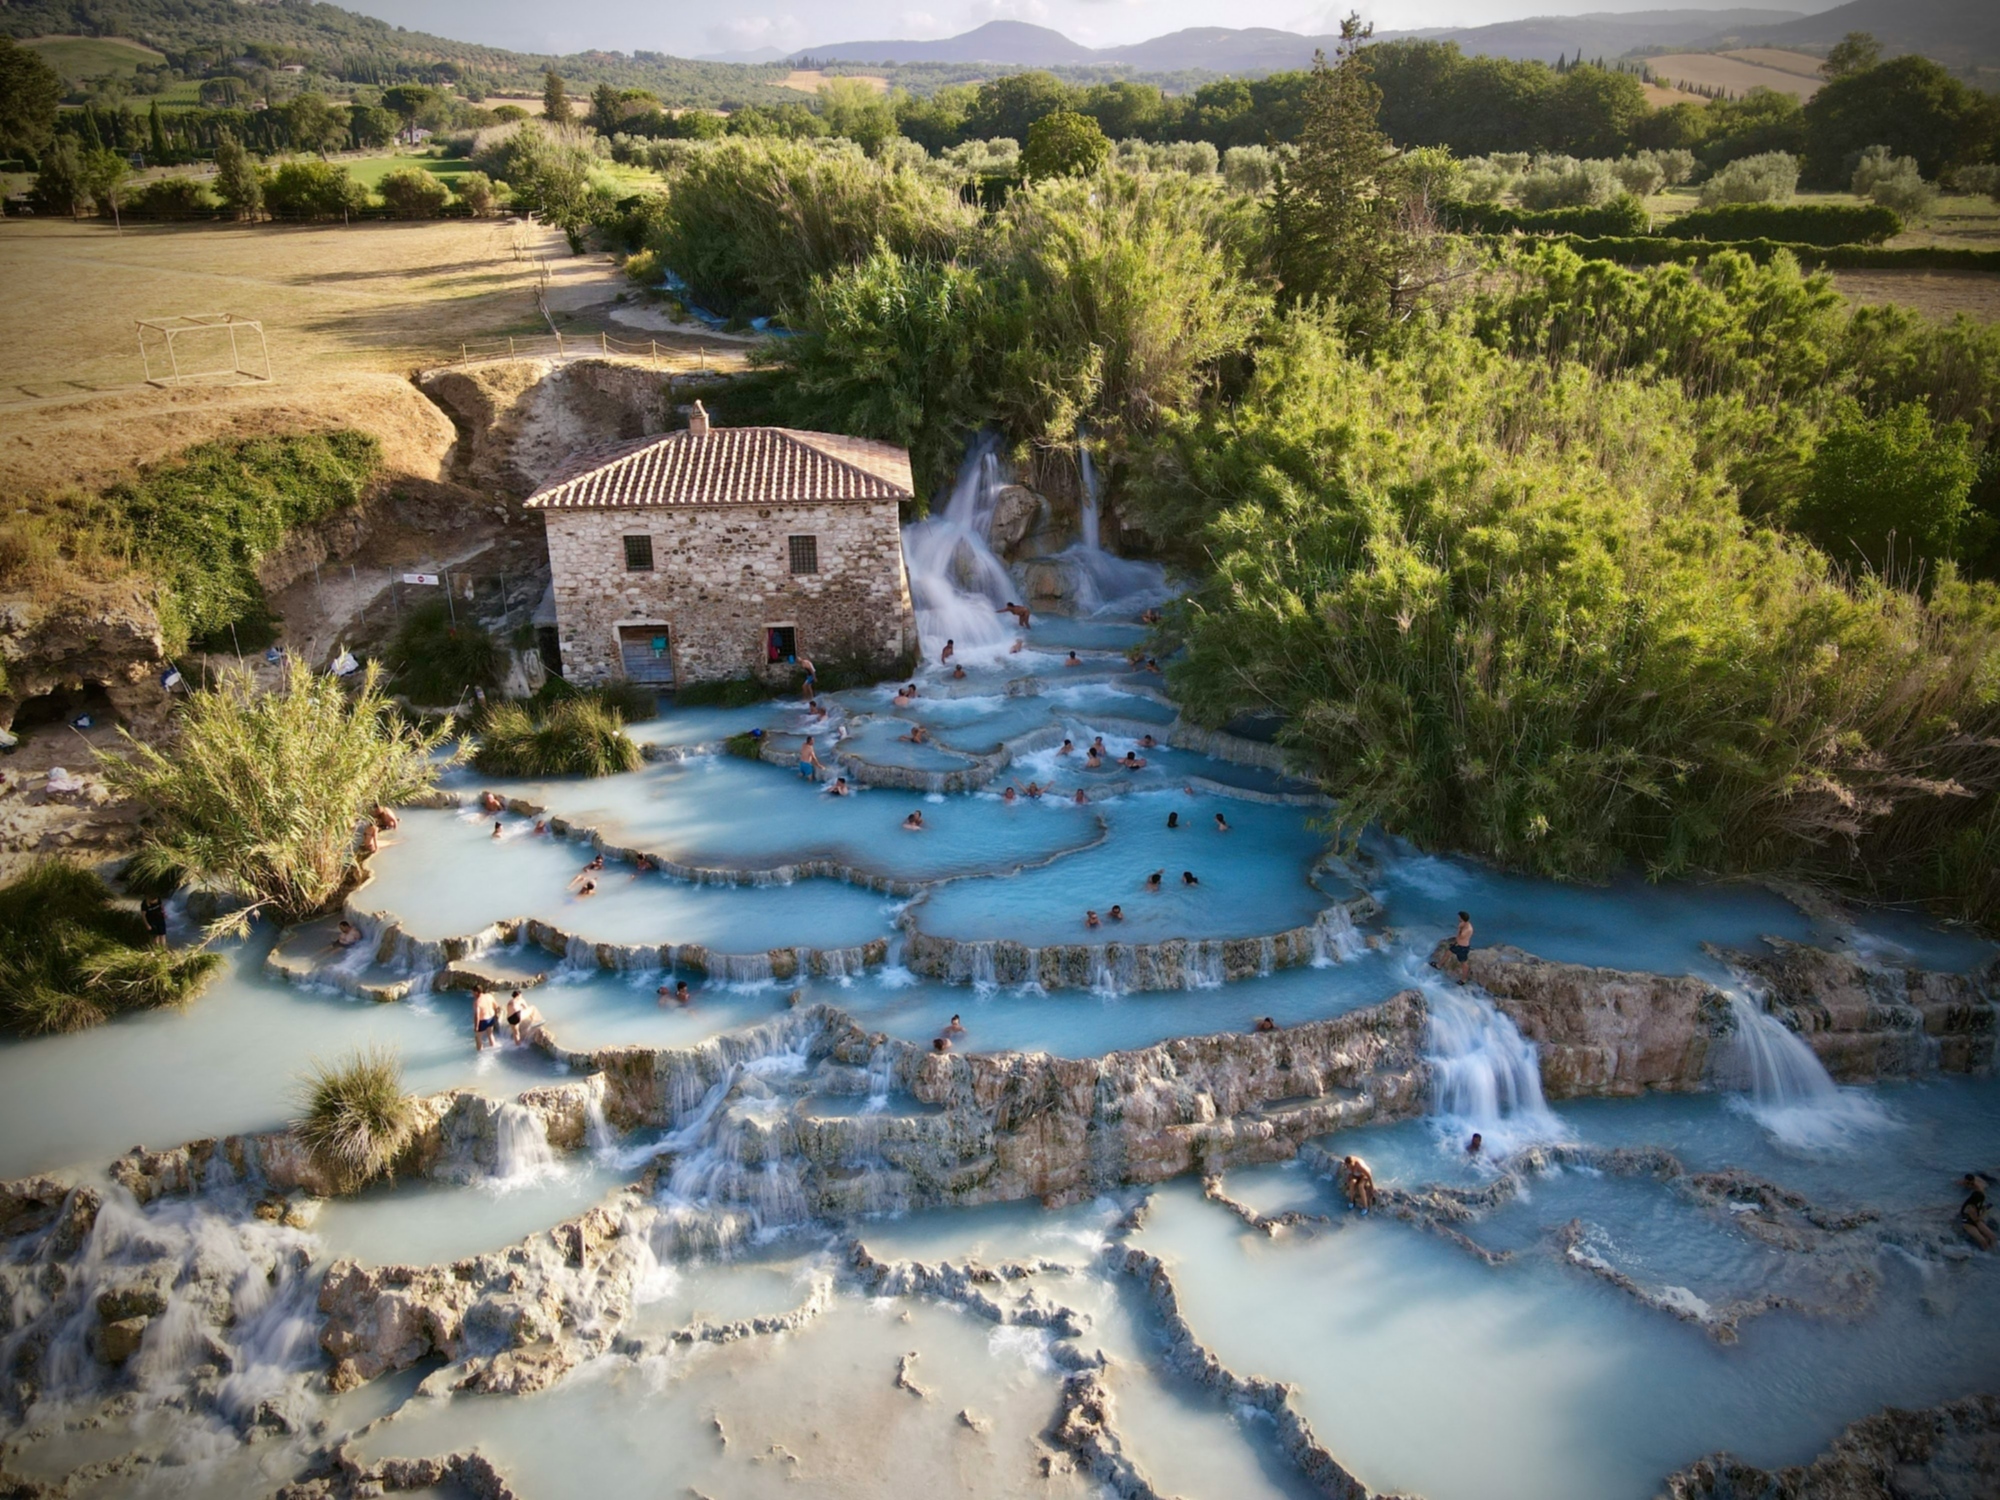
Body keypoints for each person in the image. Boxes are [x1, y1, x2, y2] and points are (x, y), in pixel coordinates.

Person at [1962, 1174, 1997, 1250]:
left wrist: (1984, 1208)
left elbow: (1979, 1213)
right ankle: (1987, 1253)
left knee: (1992, 1236)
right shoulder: (1970, 1207)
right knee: (1983, 1241)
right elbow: (1976, 1220)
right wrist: (1985, 1212)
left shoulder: (1976, 1203)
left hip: (1976, 1220)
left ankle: (1994, 1251)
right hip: (1968, 1223)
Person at [1450, 911, 1475, 985]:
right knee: (1448, 952)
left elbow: (1461, 936)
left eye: (1459, 917)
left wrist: (1459, 928)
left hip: (1462, 947)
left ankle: (1464, 979)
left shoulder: (1467, 928)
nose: (1458, 918)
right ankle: (1438, 965)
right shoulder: (1464, 924)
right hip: (1458, 945)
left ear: (1461, 918)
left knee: (1463, 963)